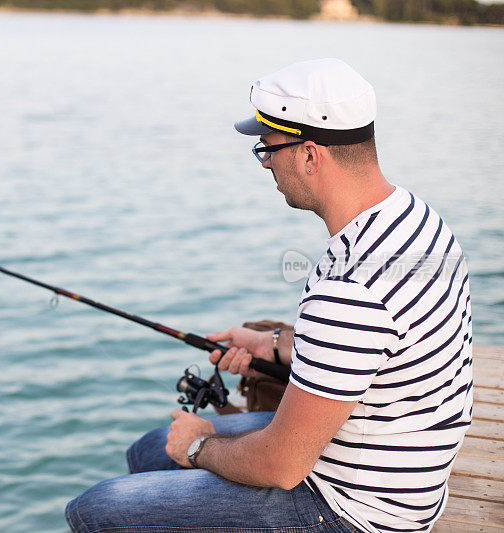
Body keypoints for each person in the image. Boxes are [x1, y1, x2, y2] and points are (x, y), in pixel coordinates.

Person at [65, 58, 473, 533]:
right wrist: (272, 344)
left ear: (309, 155)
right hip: (405, 476)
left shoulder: (349, 289)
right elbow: (372, 346)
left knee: (94, 510)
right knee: (150, 450)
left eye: (267, 150)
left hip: (355, 512)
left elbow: (282, 465)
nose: (266, 165)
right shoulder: (416, 221)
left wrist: (200, 446)